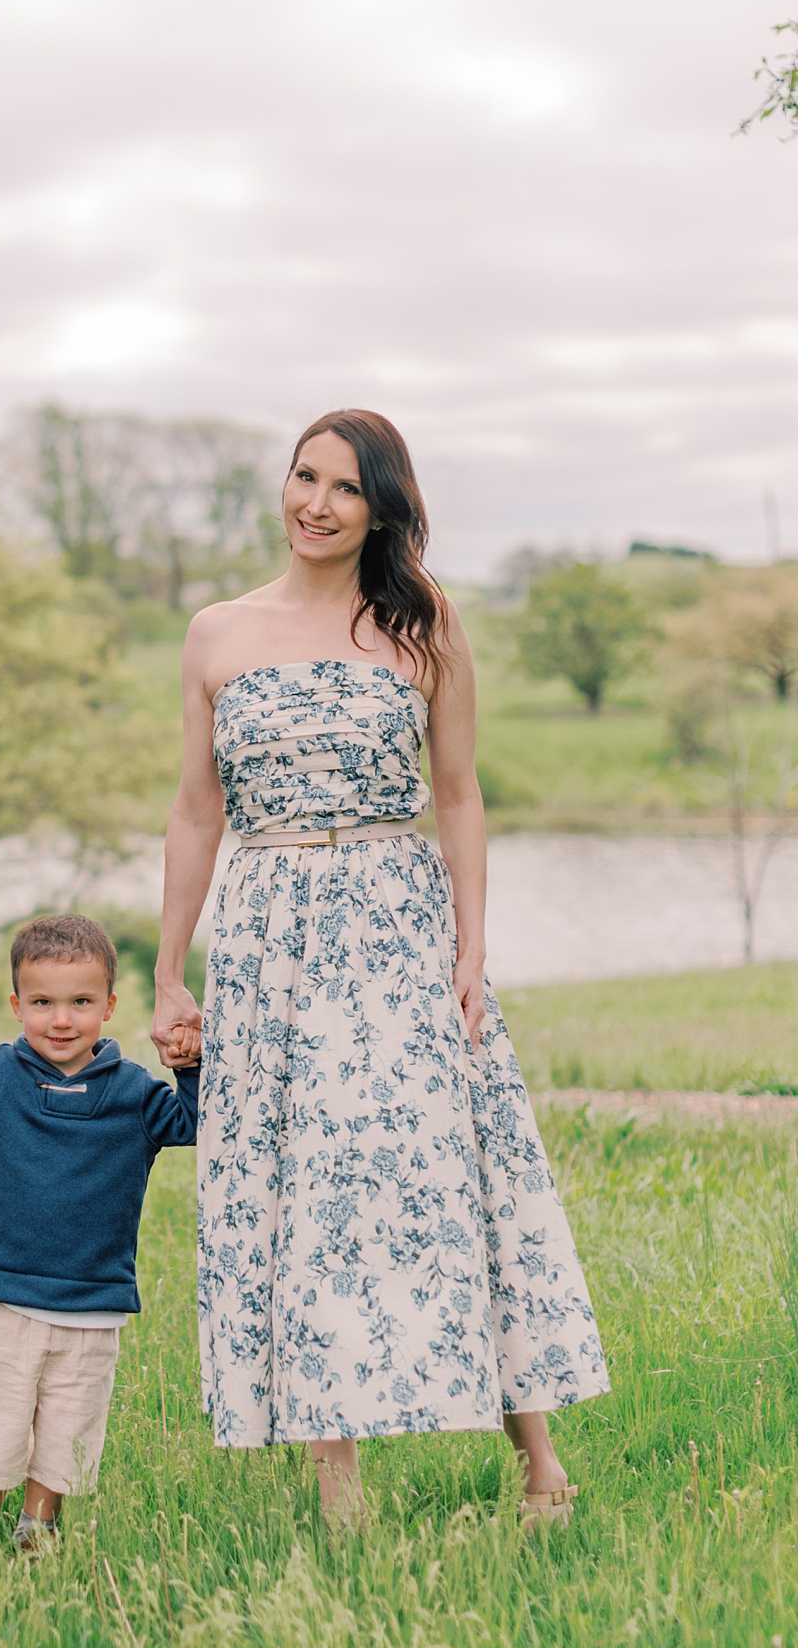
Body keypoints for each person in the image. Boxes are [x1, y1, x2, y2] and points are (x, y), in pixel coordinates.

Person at [150, 409, 610, 1535]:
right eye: (302, 476)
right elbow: (193, 809)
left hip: (394, 921)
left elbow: (456, 792)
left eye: (342, 487)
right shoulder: (217, 632)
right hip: (265, 933)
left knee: (461, 1161)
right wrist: (169, 972)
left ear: (380, 507)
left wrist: (469, 946)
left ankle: (538, 1457)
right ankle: (337, 1490)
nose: (313, 501)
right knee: (303, 1191)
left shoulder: (422, 622)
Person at [0, 913, 200, 1555]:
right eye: (42, 1003)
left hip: (92, 1300)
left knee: (65, 1428)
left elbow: (193, 1124)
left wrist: (189, 1066)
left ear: (110, 1006)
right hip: (1, 1292)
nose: (61, 1020)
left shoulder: (133, 1093)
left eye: (80, 1003)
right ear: (16, 1005)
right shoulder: (1, 1074)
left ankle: (39, 1530)